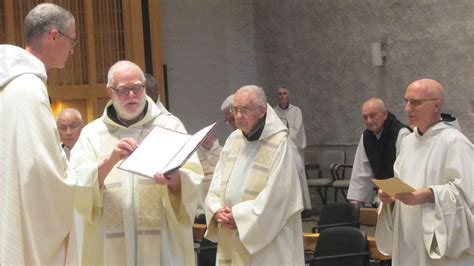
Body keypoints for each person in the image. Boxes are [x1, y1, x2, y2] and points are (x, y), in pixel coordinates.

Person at [70, 60, 203, 265]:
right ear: (110, 91)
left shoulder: (169, 126)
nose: (132, 95)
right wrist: (110, 160)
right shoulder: (92, 134)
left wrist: (174, 180)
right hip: (109, 245)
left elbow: (192, 178)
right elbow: (78, 188)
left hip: (161, 243)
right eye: (124, 90)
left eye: (137, 88)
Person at [0, 3, 80, 264]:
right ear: (54, 36)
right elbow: (40, 173)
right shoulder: (28, 89)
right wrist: (72, 178)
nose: (72, 49)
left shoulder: (10, 83)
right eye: (72, 41)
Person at [375, 79, 474, 265]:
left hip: (438, 239)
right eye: (406, 101)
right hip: (407, 235)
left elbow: (468, 194)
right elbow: (400, 182)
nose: (407, 108)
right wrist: (390, 197)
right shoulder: (407, 142)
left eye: (415, 102)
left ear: (436, 105)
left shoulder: (454, 141)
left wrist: (428, 194)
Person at [205, 85, 304, 265]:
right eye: (235, 110)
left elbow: (279, 197)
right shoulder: (234, 140)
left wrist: (239, 216)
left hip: (267, 241)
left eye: (244, 110)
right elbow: (217, 182)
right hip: (231, 230)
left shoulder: (279, 143)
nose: (238, 116)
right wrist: (216, 210)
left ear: (262, 110)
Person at [347, 98, 411, 205]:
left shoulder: (402, 134)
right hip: (384, 194)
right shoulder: (366, 136)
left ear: (385, 114)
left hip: (404, 196)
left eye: (372, 116)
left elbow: (406, 170)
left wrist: (394, 194)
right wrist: (356, 200)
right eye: (365, 117)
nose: (368, 121)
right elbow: (362, 170)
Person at [274, 87, 312, 211]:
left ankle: (302, 207)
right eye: (279, 94)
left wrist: (286, 140)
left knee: (298, 176)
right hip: (280, 149)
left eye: (284, 93)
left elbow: (297, 129)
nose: (282, 96)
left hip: (294, 148)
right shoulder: (273, 113)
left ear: (288, 96)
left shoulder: (296, 111)